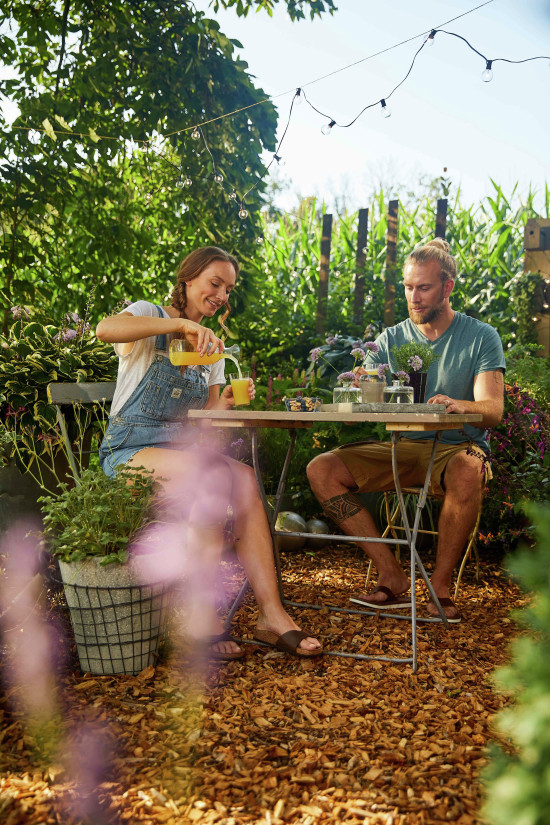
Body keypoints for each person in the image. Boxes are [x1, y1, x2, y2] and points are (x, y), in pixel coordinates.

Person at [96, 246, 322, 659]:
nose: (221, 295)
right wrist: (177, 323)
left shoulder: (212, 349)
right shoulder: (153, 315)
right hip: (129, 452)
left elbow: (207, 418)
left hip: (181, 457)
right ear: (188, 279)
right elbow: (105, 330)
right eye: (214, 283)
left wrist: (230, 405)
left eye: (228, 289)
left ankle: (271, 614)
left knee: (245, 478)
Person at [306, 239, 505, 622]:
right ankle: (391, 574)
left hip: (456, 449)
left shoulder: (480, 337)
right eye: (409, 288)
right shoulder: (391, 339)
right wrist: (361, 389)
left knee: (468, 469)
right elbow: (364, 398)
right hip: (402, 445)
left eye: (424, 288)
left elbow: (492, 411)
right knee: (322, 470)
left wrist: (460, 404)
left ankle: (440, 587)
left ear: (447, 287)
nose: (414, 297)